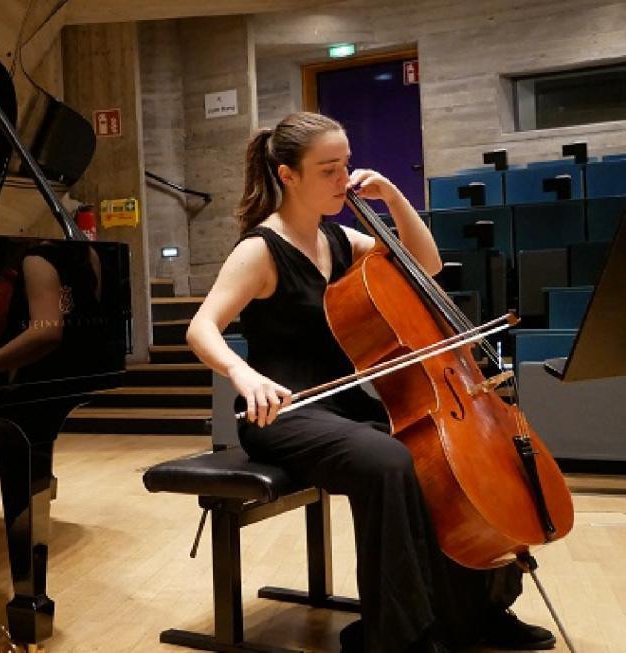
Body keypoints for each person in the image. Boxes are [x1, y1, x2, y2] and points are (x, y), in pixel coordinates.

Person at [185, 112, 556, 653]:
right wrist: (243, 373)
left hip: (343, 408)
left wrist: (394, 199)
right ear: (288, 175)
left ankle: (477, 610)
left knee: (440, 460)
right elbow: (202, 327)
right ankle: (399, 635)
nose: (344, 179)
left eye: (347, 166)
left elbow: (424, 266)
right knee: (387, 461)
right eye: (329, 170)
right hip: (284, 414)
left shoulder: (338, 239)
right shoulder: (261, 250)